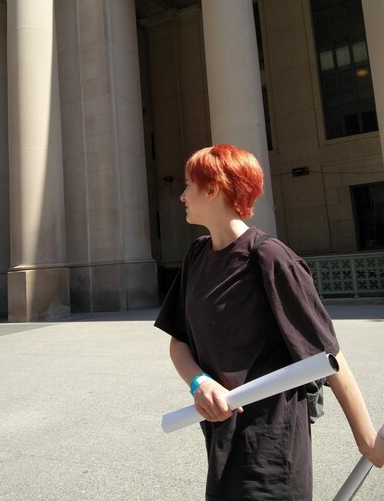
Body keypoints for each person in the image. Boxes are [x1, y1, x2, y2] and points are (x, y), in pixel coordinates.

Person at [154, 143, 384, 501]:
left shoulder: (270, 257)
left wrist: (368, 442)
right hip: (221, 441)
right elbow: (178, 341)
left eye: (187, 184)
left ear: (213, 188)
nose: (182, 195)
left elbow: (328, 356)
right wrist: (199, 382)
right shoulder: (197, 255)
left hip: (272, 448)